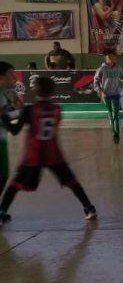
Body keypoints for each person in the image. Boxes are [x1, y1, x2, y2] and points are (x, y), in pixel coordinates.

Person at [0, 76, 97, 223]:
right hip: (53, 153)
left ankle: (2, 211)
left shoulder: (30, 110)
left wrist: (3, 116)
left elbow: (14, 130)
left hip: (33, 155)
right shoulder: (57, 109)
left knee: (14, 185)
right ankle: (89, 207)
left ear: (34, 90)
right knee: (72, 181)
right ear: (53, 92)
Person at [0, 62, 23, 195]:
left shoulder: (9, 91)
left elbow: (20, 107)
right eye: (10, 75)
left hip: (2, 137)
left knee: (3, 175)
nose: (14, 78)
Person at [93, 49, 123, 144]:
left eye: (113, 56)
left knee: (116, 115)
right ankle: (113, 132)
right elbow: (96, 82)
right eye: (109, 57)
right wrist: (99, 91)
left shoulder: (119, 67)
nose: (111, 58)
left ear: (115, 57)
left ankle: (116, 134)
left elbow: (120, 77)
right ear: (105, 58)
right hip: (106, 95)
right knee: (111, 115)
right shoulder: (101, 69)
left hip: (116, 94)